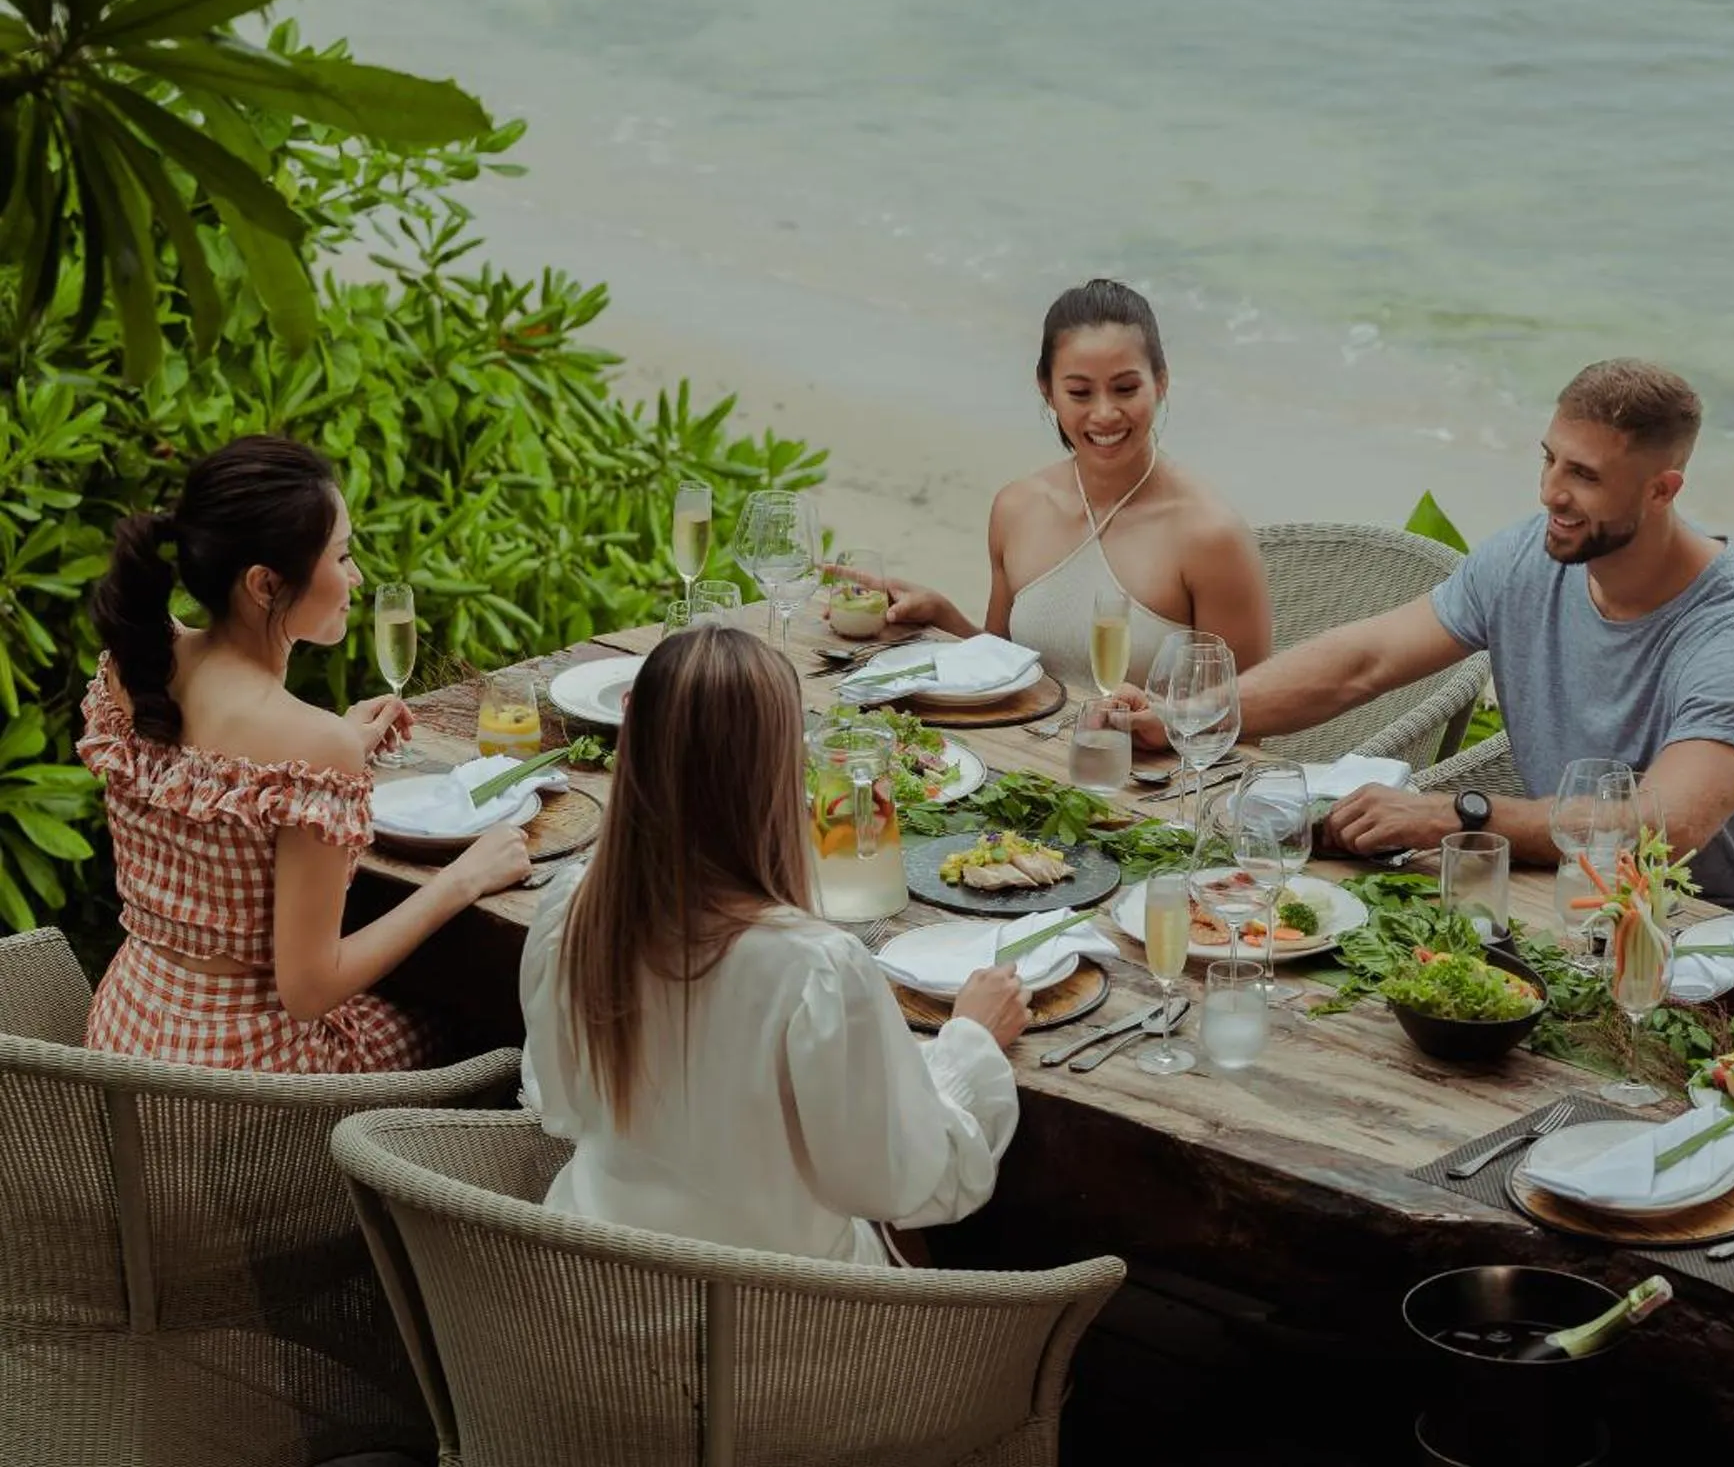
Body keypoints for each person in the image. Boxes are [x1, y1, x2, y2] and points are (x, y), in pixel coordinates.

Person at [1116, 359, 1734, 911]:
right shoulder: (1525, 560)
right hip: (1556, 901)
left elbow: (1664, 827)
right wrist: (1189, 717)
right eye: (1550, 459)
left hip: (1714, 943)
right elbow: (1365, 661)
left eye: (1584, 475)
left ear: (1663, 490)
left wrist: (1457, 815)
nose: (1550, 493)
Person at [519, 624, 1028, 1263]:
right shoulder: (814, 968)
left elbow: (558, 1103)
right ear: (777, 775)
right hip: (777, 1336)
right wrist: (968, 1046)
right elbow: (909, 1181)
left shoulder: (574, 912)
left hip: (583, 1303)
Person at [78, 435, 529, 1070]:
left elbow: (221, 764)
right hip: (243, 1089)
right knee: (476, 1022)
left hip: (126, 1043)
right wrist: (466, 878)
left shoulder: (140, 661)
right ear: (264, 584)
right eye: (341, 556)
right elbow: (309, 988)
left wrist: (331, 753)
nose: (357, 578)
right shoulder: (313, 745)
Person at [857, 279, 1272, 687]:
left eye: (1126, 388)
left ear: (1160, 383)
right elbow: (1000, 671)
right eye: (1080, 393)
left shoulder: (1210, 537)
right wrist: (942, 617)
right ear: (1048, 391)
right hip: (1018, 753)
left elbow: (1243, 721)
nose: (1105, 413)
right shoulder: (1017, 509)